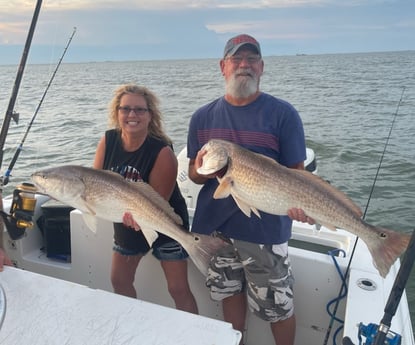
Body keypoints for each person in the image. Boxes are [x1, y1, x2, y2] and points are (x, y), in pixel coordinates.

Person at [187, 34, 312, 345]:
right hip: (215, 231)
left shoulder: (283, 114)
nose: (244, 65)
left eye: (251, 59)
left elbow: (298, 175)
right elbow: (193, 173)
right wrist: (202, 167)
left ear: (262, 67)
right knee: (228, 294)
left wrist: (300, 206)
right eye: (236, 59)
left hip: (265, 232)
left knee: (278, 309)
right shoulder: (202, 117)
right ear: (223, 66)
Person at [94, 84, 198, 314]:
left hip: (165, 221)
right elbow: (95, 183)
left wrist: (138, 218)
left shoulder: (162, 151)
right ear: (117, 112)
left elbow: (155, 204)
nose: (132, 115)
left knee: (178, 289)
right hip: (126, 220)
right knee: (119, 281)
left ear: (151, 115)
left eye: (140, 110)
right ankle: (134, 327)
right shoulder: (108, 141)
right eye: (126, 109)